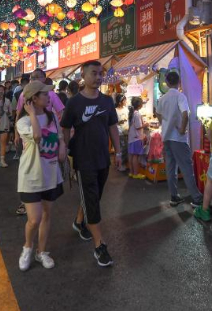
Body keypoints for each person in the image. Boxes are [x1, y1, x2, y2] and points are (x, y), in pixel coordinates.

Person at [60, 60, 121, 267]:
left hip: (103, 158)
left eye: (100, 73)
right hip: (83, 159)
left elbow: (113, 126)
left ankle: (79, 222)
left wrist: (119, 151)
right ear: (83, 76)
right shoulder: (74, 103)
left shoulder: (106, 101)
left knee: (93, 196)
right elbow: (66, 127)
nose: (98, 77)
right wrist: (65, 149)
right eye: (93, 73)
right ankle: (99, 245)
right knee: (92, 200)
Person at [16, 81, 67, 271]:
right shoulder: (23, 121)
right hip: (31, 175)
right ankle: (27, 248)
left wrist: (62, 146)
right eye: (44, 95)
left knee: (47, 214)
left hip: (51, 173)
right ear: (34, 99)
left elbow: (60, 134)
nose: (49, 97)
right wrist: (31, 114)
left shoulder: (52, 115)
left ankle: (41, 251)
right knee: (34, 219)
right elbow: (37, 137)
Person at [156, 71, 203, 207]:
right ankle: (196, 199)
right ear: (179, 82)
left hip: (166, 138)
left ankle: (174, 196)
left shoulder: (163, 98)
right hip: (178, 139)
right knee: (186, 168)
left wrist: (164, 123)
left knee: (171, 168)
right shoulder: (180, 96)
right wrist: (182, 129)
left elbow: (158, 113)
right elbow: (185, 114)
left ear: (168, 83)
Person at [127, 97, 147, 179]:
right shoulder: (137, 114)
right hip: (136, 137)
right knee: (135, 156)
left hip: (132, 137)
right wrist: (145, 125)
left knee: (131, 155)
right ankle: (136, 173)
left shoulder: (132, 113)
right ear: (139, 105)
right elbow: (138, 127)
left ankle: (132, 172)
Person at [0, 84, 13, 168]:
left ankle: (2, 160)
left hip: (4, 123)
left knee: (3, 142)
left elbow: (11, 113)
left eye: (2, 90)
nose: (1, 91)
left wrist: (10, 118)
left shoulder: (7, 101)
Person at [114, 94, 129, 172]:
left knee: (125, 148)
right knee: (122, 148)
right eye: (124, 100)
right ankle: (120, 165)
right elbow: (114, 122)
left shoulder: (126, 109)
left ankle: (122, 164)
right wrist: (120, 121)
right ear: (120, 102)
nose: (125, 101)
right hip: (119, 132)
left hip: (127, 131)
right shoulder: (115, 110)